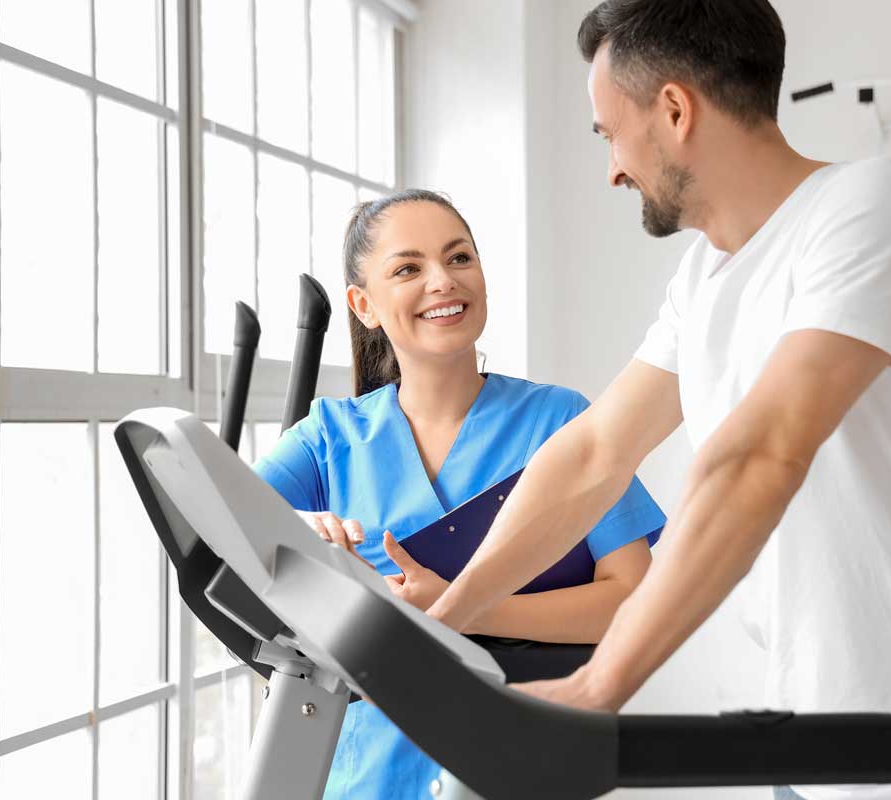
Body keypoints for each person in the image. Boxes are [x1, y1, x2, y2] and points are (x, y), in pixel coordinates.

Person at [426, 2, 891, 799]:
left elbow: (762, 454)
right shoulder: (706, 277)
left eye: (607, 133)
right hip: (809, 742)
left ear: (673, 110)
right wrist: (440, 620)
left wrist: (599, 690)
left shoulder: (874, 207)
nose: (612, 168)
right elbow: (596, 454)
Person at [252, 188, 666, 799]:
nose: (443, 281)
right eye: (408, 268)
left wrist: (464, 607)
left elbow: (634, 599)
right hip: (366, 771)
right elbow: (219, 514)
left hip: (523, 760)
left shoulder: (561, 423)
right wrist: (300, 526)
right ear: (363, 305)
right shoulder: (328, 437)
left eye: (459, 258)